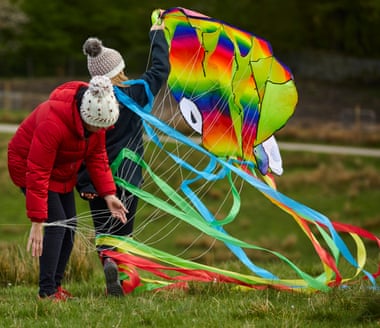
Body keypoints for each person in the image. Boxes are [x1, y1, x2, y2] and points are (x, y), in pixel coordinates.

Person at [7, 75, 128, 301]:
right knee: (57, 226)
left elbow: (97, 157)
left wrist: (108, 194)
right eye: (96, 128)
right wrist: (37, 220)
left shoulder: (96, 124)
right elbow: (38, 171)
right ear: (85, 116)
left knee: (70, 226)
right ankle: (47, 292)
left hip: (60, 171)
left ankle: (57, 287)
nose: (99, 132)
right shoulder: (52, 122)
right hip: (28, 167)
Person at [76, 10, 169, 296]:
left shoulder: (83, 100)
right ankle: (124, 277)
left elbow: (78, 143)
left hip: (94, 179)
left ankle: (109, 265)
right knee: (123, 229)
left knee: (103, 228)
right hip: (127, 175)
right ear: (120, 70)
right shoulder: (136, 92)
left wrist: (85, 183)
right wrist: (157, 32)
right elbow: (159, 70)